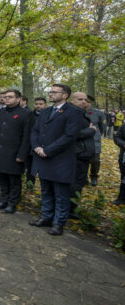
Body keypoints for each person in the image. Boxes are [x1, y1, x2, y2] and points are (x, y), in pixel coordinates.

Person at [29, 84, 82, 236]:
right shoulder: (45, 112)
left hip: (60, 160)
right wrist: (37, 147)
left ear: (65, 95)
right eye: (50, 92)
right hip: (42, 158)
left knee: (61, 194)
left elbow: (69, 136)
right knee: (46, 190)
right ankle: (46, 217)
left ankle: (58, 223)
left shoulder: (73, 113)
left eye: (54, 92)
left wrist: (48, 150)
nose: (50, 94)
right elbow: (35, 131)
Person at [0, 89, 32, 213]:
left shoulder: (25, 114)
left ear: (18, 99)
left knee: (14, 180)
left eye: (10, 97)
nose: (6, 99)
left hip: (14, 153)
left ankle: (12, 204)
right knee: (1, 178)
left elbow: (26, 136)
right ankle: (3, 201)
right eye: (5, 97)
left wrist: (22, 154)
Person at [68, 92, 96, 217]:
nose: (84, 102)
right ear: (72, 100)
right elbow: (73, 134)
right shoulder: (73, 114)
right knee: (74, 184)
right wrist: (91, 130)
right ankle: (69, 210)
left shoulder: (81, 113)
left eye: (85, 99)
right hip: (77, 155)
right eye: (80, 99)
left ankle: (71, 208)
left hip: (83, 155)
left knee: (78, 183)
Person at [25, 97, 47, 187]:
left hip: (44, 147)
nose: (38, 106)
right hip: (31, 147)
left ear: (45, 104)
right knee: (30, 170)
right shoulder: (29, 115)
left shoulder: (49, 114)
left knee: (44, 171)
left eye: (40, 104)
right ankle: (29, 187)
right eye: (36, 104)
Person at [85, 95, 105, 186]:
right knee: (82, 160)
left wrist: (96, 135)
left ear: (90, 103)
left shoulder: (98, 113)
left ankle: (94, 176)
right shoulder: (77, 112)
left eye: (87, 101)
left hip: (94, 140)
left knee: (95, 160)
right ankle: (83, 177)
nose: (85, 103)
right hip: (81, 140)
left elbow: (102, 127)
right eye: (84, 101)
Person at [113, 122, 125, 205]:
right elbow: (117, 137)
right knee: (124, 177)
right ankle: (122, 198)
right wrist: (123, 144)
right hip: (124, 157)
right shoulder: (124, 126)